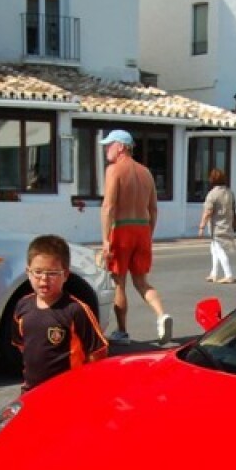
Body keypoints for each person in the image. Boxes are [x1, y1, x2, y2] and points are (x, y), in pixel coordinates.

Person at [99, 129, 171, 343]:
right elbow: (154, 209)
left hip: (122, 228)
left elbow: (109, 206)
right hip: (142, 228)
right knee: (141, 281)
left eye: (109, 144)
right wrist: (149, 233)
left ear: (121, 146)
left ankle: (122, 332)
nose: (106, 149)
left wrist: (105, 239)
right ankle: (162, 315)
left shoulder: (114, 170)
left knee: (118, 282)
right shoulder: (146, 172)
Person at [10, 234, 107, 392]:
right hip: (31, 391)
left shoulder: (75, 310)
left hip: (66, 393)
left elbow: (97, 352)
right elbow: (22, 346)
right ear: (28, 272)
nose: (44, 279)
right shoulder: (22, 306)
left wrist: (87, 386)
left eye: (53, 273)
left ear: (66, 275)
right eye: (38, 272)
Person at [198, 168, 236, 283]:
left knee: (219, 250)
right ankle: (213, 273)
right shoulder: (230, 192)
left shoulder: (212, 194)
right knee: (214, 249)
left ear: (212, 180)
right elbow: (234, 207)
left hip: (216, 226)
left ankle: (228, 274)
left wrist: (201, 226)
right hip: (227, 224)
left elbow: (208, 211)